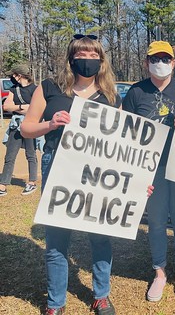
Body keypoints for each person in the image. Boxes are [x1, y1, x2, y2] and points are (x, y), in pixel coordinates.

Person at [21, 34, 121, 315]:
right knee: (56, 239)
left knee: (100, 236)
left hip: (99, 171)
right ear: (71, 58)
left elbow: (125, 148)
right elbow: (26, 128)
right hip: (58, 166)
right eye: (81, 55)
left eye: (93, 56)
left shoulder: (111, 95)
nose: (87, 61)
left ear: (101, 61)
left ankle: (101, 295)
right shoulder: (50, 88)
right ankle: (55, 302)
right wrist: (49, 125)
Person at [122, 40, 175, 302]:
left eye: (166, 58)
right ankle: (160, 272)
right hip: (150, 168)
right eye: (155, 59)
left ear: (174, 63)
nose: (160, 63)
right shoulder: (135, 92)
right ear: (146, 63)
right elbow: (125, 133)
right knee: (155, 221)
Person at [0, 63, 38, 196]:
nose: (12, 77)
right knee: (10, 155)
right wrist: (22, 107)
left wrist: (16, 107)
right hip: (15, 126)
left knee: (31, 154)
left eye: (13, 74)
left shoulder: (35, 89)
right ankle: (3, 184)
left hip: (30, 124)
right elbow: (6, 106)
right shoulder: (13, 89)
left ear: (19, 75)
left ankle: (32, 182)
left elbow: (34, 109)